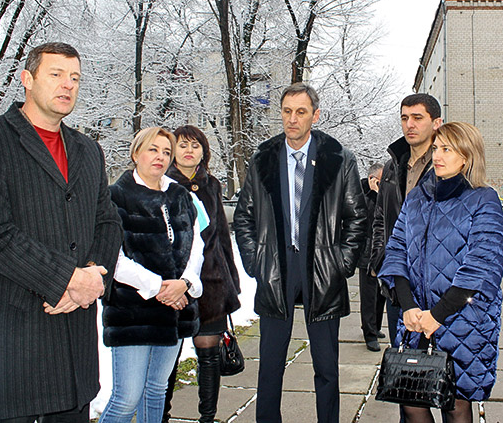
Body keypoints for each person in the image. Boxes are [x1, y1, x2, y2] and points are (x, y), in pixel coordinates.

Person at [0, 42, 123, 423]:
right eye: (56, 74)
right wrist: (67, 279)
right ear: (27, 79)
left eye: (75, 78)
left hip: (75, 352)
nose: (68, 85)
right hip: (13, 350)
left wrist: (92, 278)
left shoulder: (88, 150)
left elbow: (108, 221)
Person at [234, 82, 367, 423]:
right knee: (270, 365)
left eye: (301, 112)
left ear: (315, 115)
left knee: (326, 367)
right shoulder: (263, 158)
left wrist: (340, 263)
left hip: (321, 269)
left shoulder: (339, 158)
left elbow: (357, 217)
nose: (292, 119)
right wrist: (255, 262)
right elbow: (244, 216)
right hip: (275, 269)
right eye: (287, 111)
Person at [379, 122, 503, 423]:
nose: (437, 155)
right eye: (436, 148)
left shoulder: (483, 199)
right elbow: (396, 250)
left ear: (467, 155)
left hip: (461, 321)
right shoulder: (417, 198)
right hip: (416, 319)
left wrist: (437, 315)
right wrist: (408, 306)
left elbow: (483, 265)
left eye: (447, 149)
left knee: (455, 406)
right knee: (411, 403)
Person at [100, 127, 205, 423]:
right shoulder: (115, 197)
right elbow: (114, 259)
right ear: (136, 154)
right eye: (153, 149)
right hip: (133, 314)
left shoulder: (180, 195)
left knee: (156, 391)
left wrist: (185, 283)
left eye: (166, 152)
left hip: (174, 310)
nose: (160, 157)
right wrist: (159, 287)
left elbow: (197, 245)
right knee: (126, 398)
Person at [163, 125, 242, 422]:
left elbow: (221, 234)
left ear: (204, 152)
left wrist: (231, 280)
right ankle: (162, 416)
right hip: (174, 284)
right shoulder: (162, 182)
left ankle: (207, 417)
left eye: (195, 146)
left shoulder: (212, 185)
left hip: (211, 282)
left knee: (209, 355)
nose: (189, 151)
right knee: (168, 360)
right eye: (183, 145)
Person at [370, 93, 443, 346]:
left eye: (417, 118)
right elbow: (380, 217)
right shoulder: (393, 166)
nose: (409, 124)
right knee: (401, 358)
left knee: (437, 361)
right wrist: (380, 260)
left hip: (436, 283)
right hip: (397, 281)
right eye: (404, 118)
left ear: (436, 123)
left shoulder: (445, 164)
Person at [358, 162, 386, 352]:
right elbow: (370, 216)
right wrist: (375, 194)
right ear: (372, 179)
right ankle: (369, 333)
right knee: (368, 294)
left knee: (381, 293)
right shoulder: (361, 193)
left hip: (381, 248)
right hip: (367, 250)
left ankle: (375, 326)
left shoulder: (381, 194)